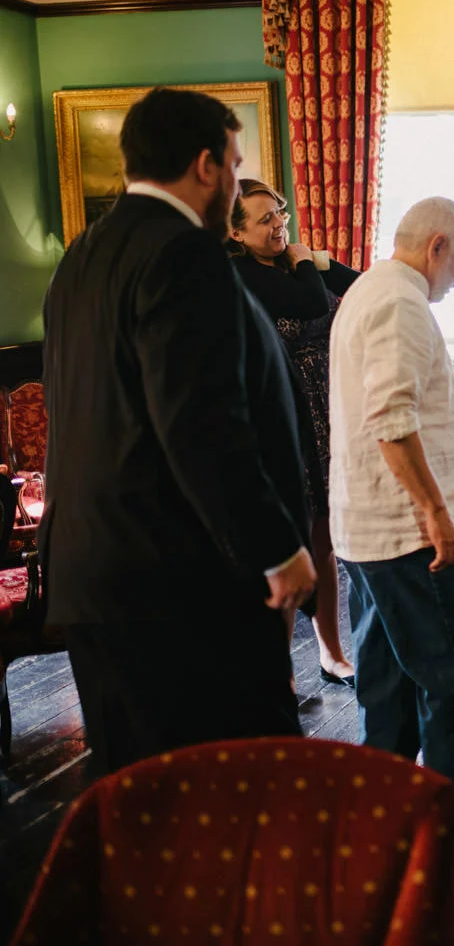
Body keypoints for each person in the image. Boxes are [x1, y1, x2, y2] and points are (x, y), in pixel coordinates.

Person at [41, 87, 316, 772]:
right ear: (206, 166)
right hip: (180, 587)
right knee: (234, 796)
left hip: (94, 575)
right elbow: (199, 422)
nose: (234, 178)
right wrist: (278, 549)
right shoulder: (184, 253)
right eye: (234, 161)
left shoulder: (81, 257)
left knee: (142, 799)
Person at [328, 197, 454, 854]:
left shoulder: (365, 291)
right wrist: (438, 516)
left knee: (385, 680)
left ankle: (390, 820)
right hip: (413, 534)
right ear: (436, 246)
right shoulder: (402, 303)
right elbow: (391, 419)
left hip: (368, 531)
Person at [228, 178, 358, 687]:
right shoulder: (238, 274)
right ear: (236, 234)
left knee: (325, 542)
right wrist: (307, 261)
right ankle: (277, 667)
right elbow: (308, 304)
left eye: (279, 213)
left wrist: (316, 260)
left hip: (330, 416)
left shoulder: (300, 266)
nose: (279, 224)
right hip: (280, 419)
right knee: (287, 543)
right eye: (264, 219)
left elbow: (362, 284)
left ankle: (331, 652)